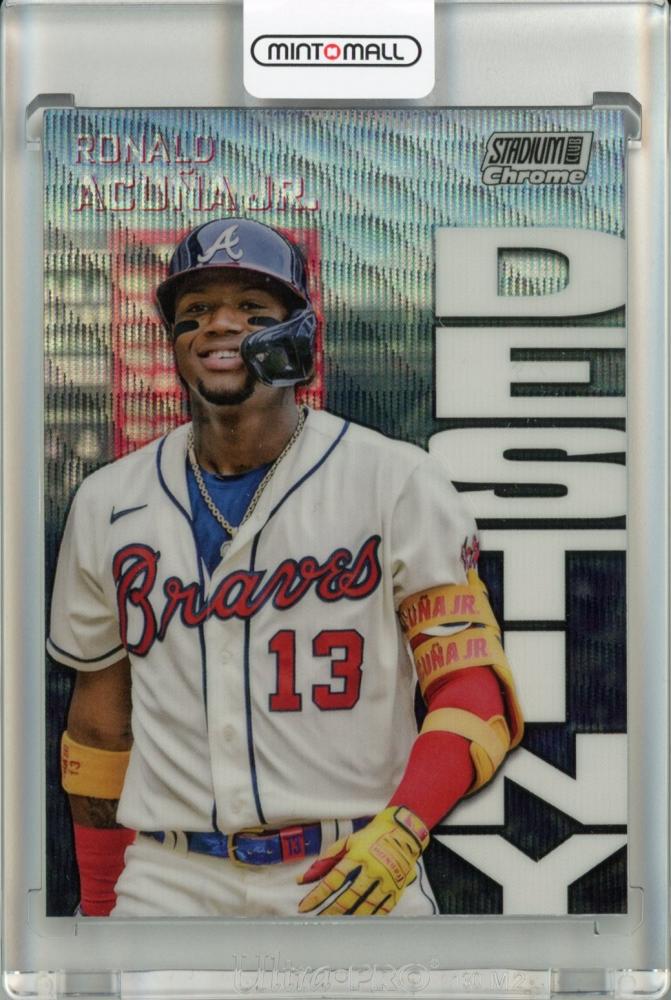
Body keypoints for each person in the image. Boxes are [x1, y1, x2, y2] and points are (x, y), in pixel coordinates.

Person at [48, 217, 524, 918]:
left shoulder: (394, 480)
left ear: (298, 335)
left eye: (251, 309)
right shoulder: (108, 500)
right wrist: (97, 904)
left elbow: (473, 690)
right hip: (169, 878)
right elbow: (99, 730)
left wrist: (405, 827)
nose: (220, 325)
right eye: (197, 310)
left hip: (350, 861)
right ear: (174, 339)